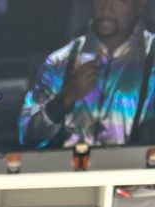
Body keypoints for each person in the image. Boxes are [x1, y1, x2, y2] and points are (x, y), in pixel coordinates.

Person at [19, 0, 155, 148]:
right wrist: (62, 101)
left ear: (141, 3)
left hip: (135, 163)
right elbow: (26, 136)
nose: (106, 8)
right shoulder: (60, 62)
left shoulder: (152, 60)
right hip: (68, 162)